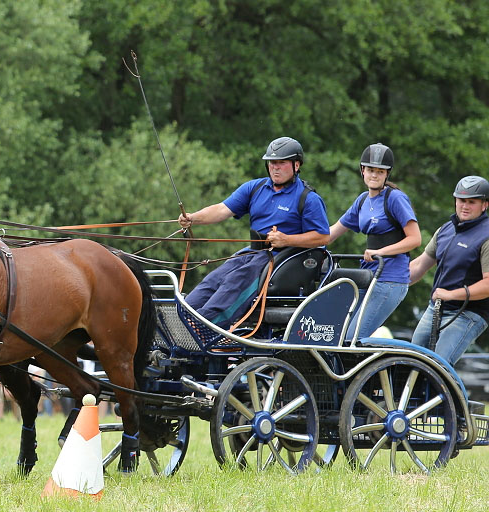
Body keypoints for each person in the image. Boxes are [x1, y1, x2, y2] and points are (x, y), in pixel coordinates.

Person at [179, 137, 330, 326]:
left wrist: (286, 240)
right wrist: (193, 217)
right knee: (215, 279)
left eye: (281, 163)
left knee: (235, 282)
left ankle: (202, 327)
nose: (275, 167)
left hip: (281, 260)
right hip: (252, 253)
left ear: (296, 165)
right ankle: (182, 316)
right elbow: (222, 209)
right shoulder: (255, 188)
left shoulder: (308, 198)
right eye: (272, 162)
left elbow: (323, 237)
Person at [328, 143, 421, 340]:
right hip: (368, 277)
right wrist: (296, 242)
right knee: (335, 334)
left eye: (380, 171)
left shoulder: (395, 198)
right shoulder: (362, 201)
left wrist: (382, 252)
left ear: (387, 174)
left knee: (351, 339)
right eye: (370, 170)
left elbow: (415, 239)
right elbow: (330, 234)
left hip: (390, 280)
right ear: (362, 170)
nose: (374, 175)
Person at [409, 176, 489, 363]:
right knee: (412, 362)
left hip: (468, 313)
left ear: (484, 205)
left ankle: (449, 393)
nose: (465, 206)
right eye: (461, 200)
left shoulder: (486, 236)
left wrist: (451, 295)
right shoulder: (446, 230)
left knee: (438, 365)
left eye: (472, 202)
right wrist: (387, 280)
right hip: (435, 308)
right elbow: (419, 266)